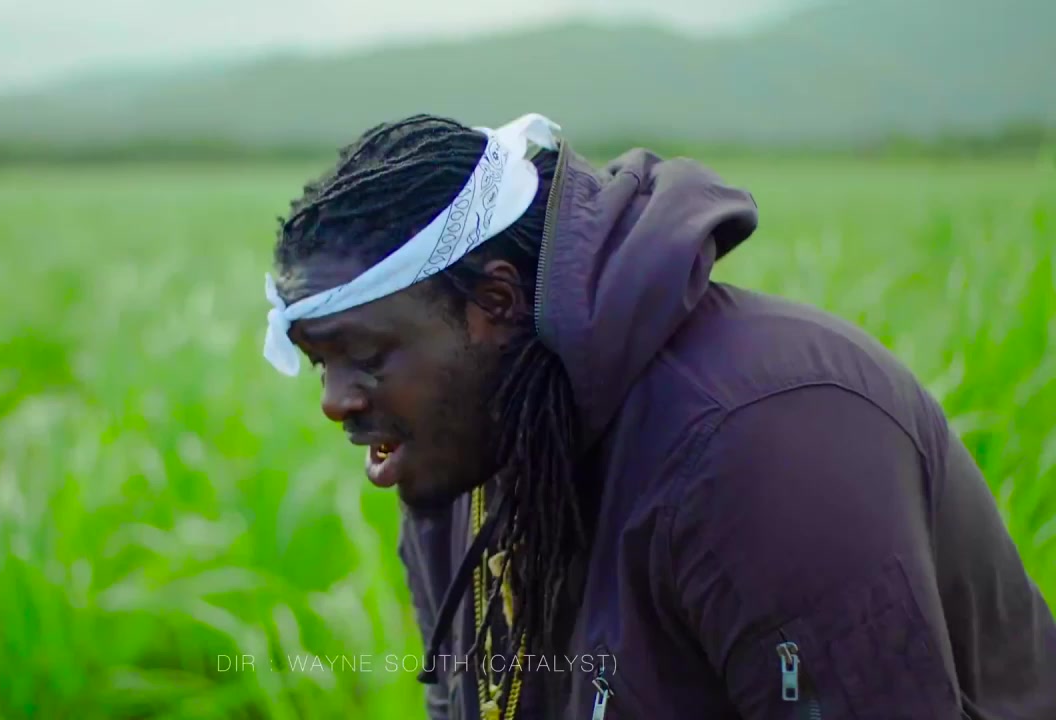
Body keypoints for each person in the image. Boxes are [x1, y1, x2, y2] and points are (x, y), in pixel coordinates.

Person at [259, 112, 1056, 719]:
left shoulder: (760, 441)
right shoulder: (461, 464)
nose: (334, 401)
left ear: (494, 303)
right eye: (320, 364)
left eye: (365, 356)